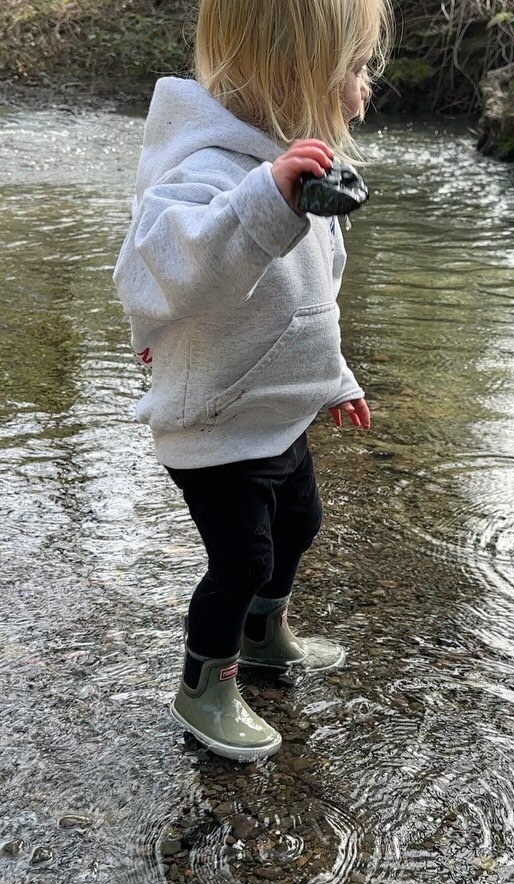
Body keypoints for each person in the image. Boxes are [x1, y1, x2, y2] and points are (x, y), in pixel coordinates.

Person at [112, 0, 392, 761]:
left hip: (276, 408)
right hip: (213, 418)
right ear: (295, 75)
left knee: (301, 525)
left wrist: (337, 378)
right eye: (353, 71)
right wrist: (263, 201)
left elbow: (310, 302)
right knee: (243, 560)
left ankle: (266, 637)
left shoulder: (296, 165)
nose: (364, 90)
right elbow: (151, 274)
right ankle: (205, 683)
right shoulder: (206, 169)